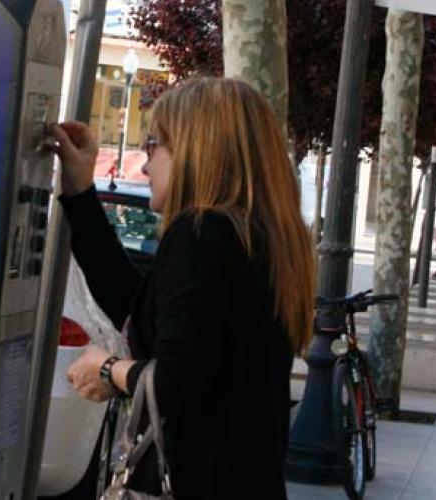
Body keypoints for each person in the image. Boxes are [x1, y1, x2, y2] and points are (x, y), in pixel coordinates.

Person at [49, 77, 315, 499]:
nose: (146, 165)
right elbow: (141, 311)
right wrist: (81, 193)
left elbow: (178, 382)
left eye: (154, 145)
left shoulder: (201, 234)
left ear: (195, 150)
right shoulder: (264, 238)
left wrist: (107, 369)